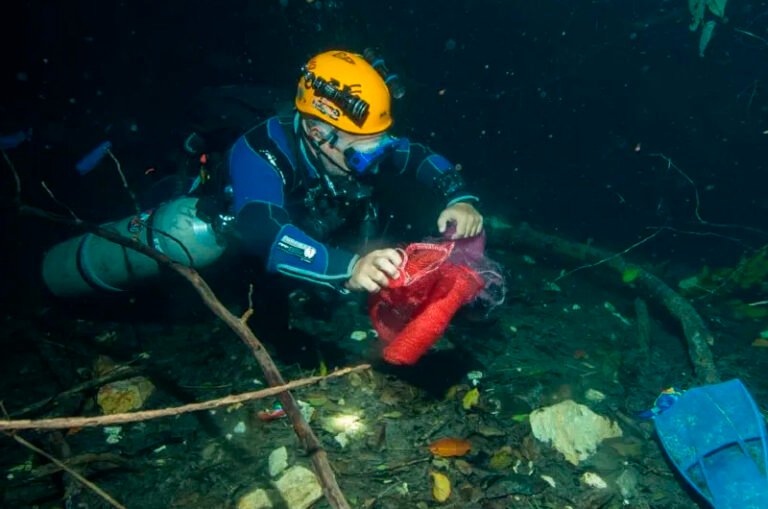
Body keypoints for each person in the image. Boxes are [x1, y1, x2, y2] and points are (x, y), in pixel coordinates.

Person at [225, 49, 484, 295]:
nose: (374, 162)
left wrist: (460, 198)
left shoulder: (354, 140)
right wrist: (349, 269)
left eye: (380, 146)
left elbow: (415, 154)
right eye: (362, 155)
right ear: (318, 135)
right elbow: (264, 232)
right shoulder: (259, 154)